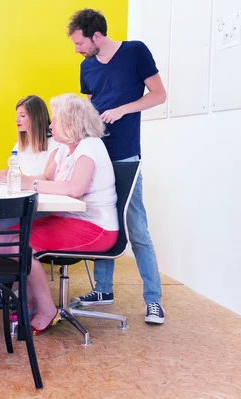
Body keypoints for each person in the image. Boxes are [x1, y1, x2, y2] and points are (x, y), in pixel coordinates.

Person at [68, 9, 167, 324]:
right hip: (95, 154)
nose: (77, 50)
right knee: (101, 218)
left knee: (136, 228)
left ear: (96, 36)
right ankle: (103, 289)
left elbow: (159, 95)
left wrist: (123, 109)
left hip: (125, 153)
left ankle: (153, 301)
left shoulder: (135, 52)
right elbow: (88, 108)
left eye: (80, 42)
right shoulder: (87, 66)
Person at [0, 93, 119, 335]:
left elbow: (74, 189)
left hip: (96, 229)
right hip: (68, 220)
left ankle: (46, 310)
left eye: (56, 121)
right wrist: (7, 178)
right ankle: (27, 301)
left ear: (72, 123)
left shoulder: (90, 146)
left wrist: (30, 186)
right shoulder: (64, 149)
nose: (50, 126)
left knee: (18, 245)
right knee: (4, 238)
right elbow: (43, 178)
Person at [0, 95, 58, 238]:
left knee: (2, 220)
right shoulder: (21, 145)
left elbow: (47, 177)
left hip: (45, 204)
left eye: (22, 115)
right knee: (0, 218)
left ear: (35, 117)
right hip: (27, 199)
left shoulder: (55, 144)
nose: (16, 120)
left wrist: (8, 179)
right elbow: (10, 170)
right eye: (17, 115)